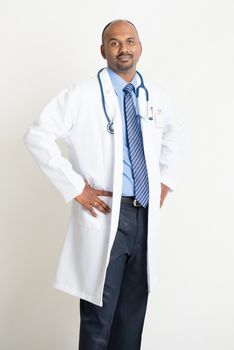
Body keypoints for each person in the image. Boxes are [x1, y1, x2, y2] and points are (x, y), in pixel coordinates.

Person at [23, 19, 184, 350]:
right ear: (103, 50)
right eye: (114, 42)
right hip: (108, 212)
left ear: (139, 47)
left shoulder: (155, 96)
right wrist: (75, 187)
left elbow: (175, 135)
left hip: (143, 214)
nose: (123, 48)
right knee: (99, 316)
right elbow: (37, 135)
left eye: (129, 41)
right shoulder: (81, 95)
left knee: (132, 313)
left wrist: (165, 180)